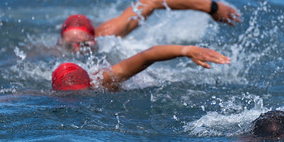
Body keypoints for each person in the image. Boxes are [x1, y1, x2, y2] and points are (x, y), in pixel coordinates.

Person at [58, 0, 241, 52]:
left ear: (95, 37)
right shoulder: (49, 52)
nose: (76, 50)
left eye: (83, 44)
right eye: (70, 45)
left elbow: (153, 0)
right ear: (59, 43)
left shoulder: (109, 34)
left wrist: (212, 7)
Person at [52, 45, 230, 91]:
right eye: (69, 96)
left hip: (144, 81)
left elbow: (149, 54)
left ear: (90, 84)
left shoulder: (104, 80)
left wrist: (187, 50)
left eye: (80, 94)